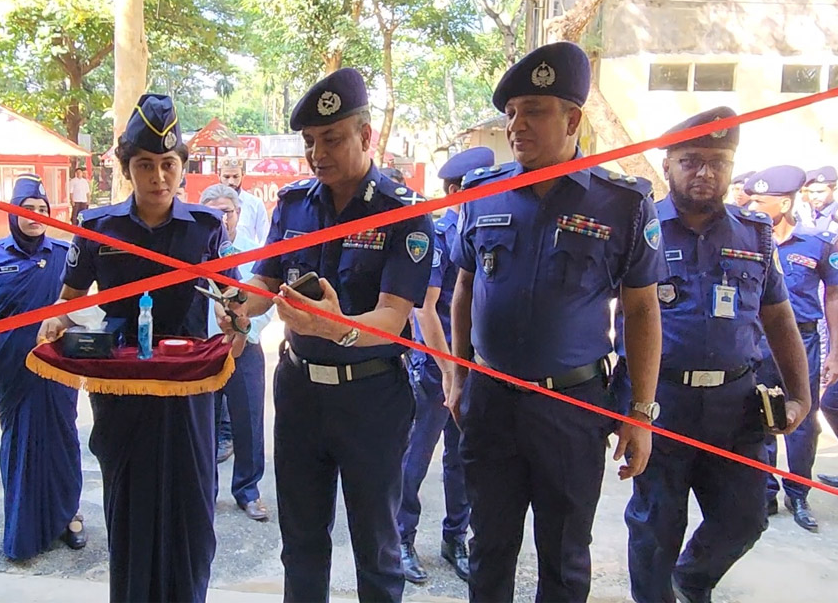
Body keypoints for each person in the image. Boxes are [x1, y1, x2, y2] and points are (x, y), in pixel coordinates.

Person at [446, 42, 663, 603]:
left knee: (564, 556)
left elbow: (642, 309)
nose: (517, 125)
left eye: (534, 111)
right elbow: (464, 287)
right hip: (492, 400)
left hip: (571, 407)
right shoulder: (481, 194)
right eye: (512, 112)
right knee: (489, 546)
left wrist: (640, 412)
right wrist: (459, 374)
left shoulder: (622, 204)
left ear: (572, 120)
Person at [225, 68, 434, 602]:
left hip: (371, 399)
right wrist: (240, 304)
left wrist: (334, 328)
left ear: (366, 136)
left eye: (332, 139)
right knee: (300, 544)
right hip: (300, 393)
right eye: (310, 142)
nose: (317, 154)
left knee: (377, 548)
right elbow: (266, 280)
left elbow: (394, 317)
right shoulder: (295, 203)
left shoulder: (404, 213)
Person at [37, 94, 229, 602]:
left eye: (168, 164)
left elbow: (231, 300)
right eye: (145, 165)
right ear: (126, 169)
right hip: (121, 391)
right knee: (128, 507)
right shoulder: (98, 228)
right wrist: (55, 320)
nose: (158, 177)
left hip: (188, 389)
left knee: (191, 511)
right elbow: (70, 300)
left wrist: (238, 320)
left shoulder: (208, 228)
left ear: (182, 167)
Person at [620, 117, 812, 603]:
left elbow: (778, 316)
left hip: (736, 404)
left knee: (745, 518)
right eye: (690, 161)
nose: (704, 173)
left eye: (717, 163)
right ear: (668, 166)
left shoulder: (755, 234)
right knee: (656, 527)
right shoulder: (640, 227)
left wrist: (801, 395)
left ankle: (692, 580)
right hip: (662, 401)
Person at [0, 173, 82, 559]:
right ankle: (23, 528)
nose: (34, 215)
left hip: (59, 366)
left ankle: (68, 517)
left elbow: (82, 311)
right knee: (19, 444)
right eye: (26, 209)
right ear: (12, 213)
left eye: (41, 209)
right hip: (11, 367)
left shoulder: (66, 254)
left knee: (62, 439)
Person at [397, 147, 491, 586]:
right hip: (438, 368)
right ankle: (401, 537)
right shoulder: (438, 235)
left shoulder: (486, 229)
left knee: (464, 458)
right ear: (455, 191)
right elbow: (426, 310)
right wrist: (450, 370)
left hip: (475, 366)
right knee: (416, 455)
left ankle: (456, 538)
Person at [743, 165, 838, 531]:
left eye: (760, 201)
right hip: (758, 338)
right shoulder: (749, 238)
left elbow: (833, 296)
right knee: (760, 413)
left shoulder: (818, 243)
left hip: (803, 339)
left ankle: (797, 492)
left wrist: (834, 351)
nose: (752, 206)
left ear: (784, 204)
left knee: (803, 418)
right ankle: (765, 489)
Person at [200, 183, 273, 522]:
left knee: (248, 422)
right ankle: (205, 490)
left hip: (246, 349)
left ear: (239, 214)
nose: (221, 220)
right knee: (203, 423)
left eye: (226, 212)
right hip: (205, 349)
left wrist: (244, 334)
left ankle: (248, 490)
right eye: (213, 214)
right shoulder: (195, 253)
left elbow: (267, 302)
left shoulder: (254, 254)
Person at [218, 158, 270, 246]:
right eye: (226, 177)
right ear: (219, 175)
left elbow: (265, 238)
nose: (231, 182)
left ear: (242, 175)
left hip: (248, 254)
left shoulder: (255, 204)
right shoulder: (212, 203)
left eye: (235, 177)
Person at [802, 166, 837, 233]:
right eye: (811, 192)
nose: (814, 196)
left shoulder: (835, 215)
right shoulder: (805, 214)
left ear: (834, 189)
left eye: (820, 192)